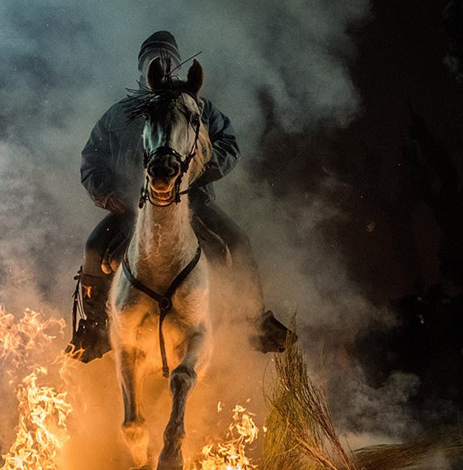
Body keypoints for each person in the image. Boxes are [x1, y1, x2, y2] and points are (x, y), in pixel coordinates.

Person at [68, 31, 295, 362]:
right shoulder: (119, 114)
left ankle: (255, 321)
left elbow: (228, 145)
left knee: (238, 242)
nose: (161, 65)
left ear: (177, 64)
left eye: (167, 59)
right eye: (153, 60)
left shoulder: (198, 107)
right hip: (133, 206)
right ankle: (95, 328)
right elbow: (92, 158)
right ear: (143, 68)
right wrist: (104, 193)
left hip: (191, 203)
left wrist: (193, 168)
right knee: (93, 247)